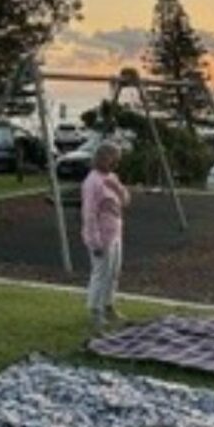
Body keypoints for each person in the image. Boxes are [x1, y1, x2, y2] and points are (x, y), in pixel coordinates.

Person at [81, 141, 130, 332]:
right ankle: (95, 310)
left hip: (116, 233)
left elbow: (125, 201)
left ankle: (109, 306)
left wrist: (118, 188)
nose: (115, 164)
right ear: (103, 158)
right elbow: (89, 214)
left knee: (114, 273)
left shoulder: (112, 178)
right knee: (100, 274)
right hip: (101, 237)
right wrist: (95, 242)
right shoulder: (92, 182)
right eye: (113, 159)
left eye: (117, 161)